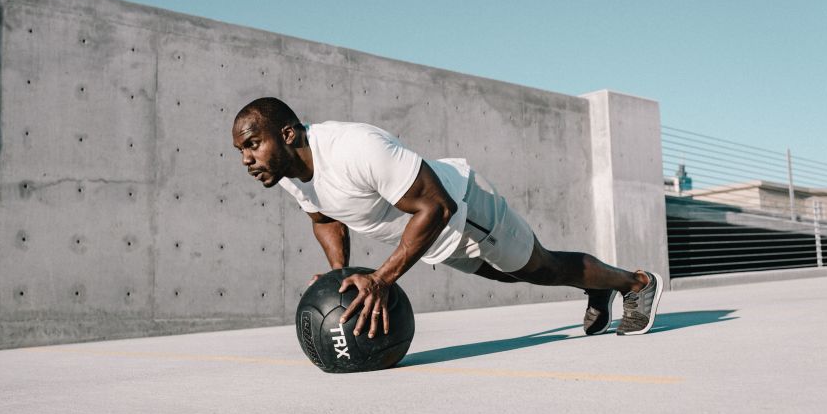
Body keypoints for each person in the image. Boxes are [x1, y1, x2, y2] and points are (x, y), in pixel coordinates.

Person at [231, 97, 663, 340]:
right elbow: (324, 217)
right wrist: (339, 275)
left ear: (287, 134)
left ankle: (636, 283)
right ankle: (595, 284)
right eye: (241, 151)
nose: (247, 159)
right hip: (431, 236)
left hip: (464, 209)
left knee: (541, 268)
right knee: (513, 275)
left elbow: (437, 207)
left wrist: (381, 279)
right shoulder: (287, 172)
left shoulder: (354, 147)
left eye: (253, 145)